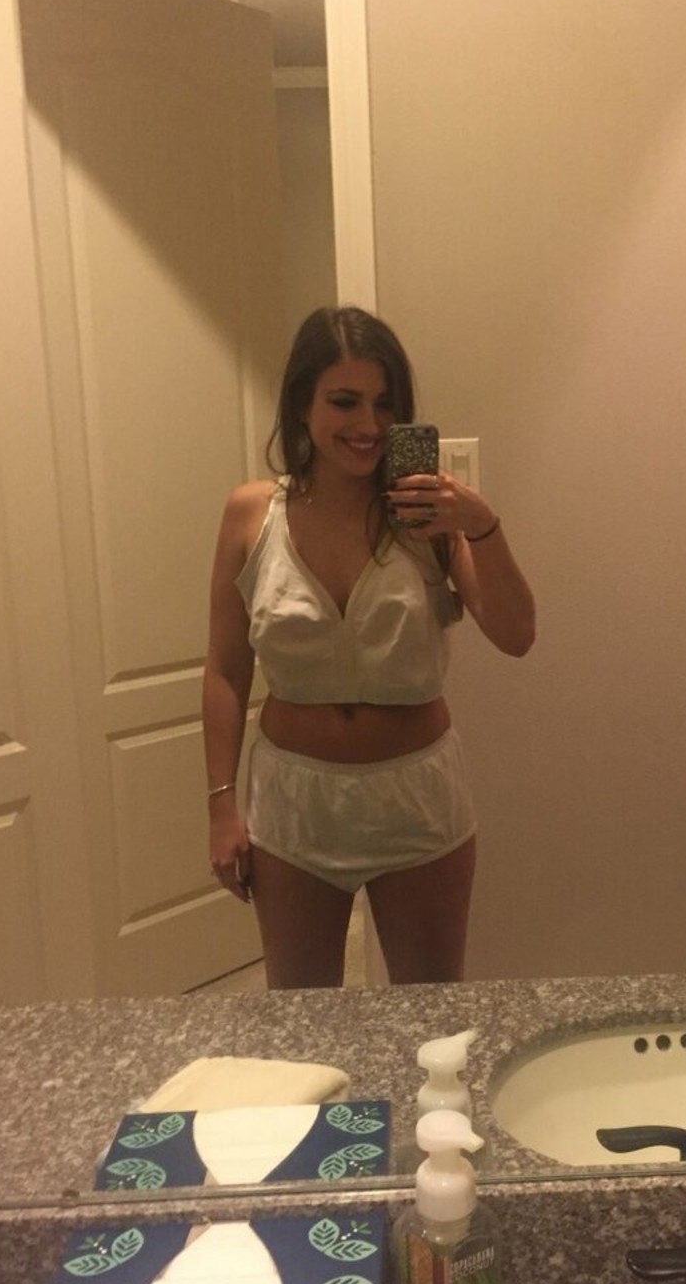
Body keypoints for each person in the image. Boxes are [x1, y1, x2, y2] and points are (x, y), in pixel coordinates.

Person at [201, 306, 535, 988]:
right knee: (304, 1020)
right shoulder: (250, 515)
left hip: (415, 799)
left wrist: (480, 524)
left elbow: (516, 634)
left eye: (386, 404)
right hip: (294, 803)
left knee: (430, 1018)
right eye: (345, 401)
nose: (369, 424)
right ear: (303, 404)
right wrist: (221, 806)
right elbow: (227, 671)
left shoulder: (430, 519)